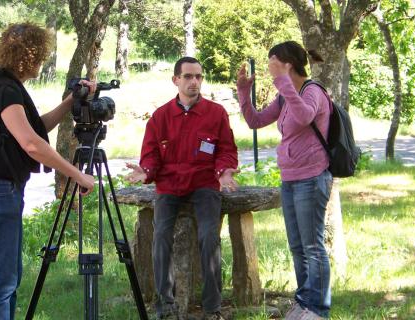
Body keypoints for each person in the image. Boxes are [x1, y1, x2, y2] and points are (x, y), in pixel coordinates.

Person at [0, 22, 96, 320]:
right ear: (29, 57)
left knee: (8, 279)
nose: (43, 61)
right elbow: (31, 144)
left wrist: (71, 101)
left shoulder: (3, 86)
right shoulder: (4, 91)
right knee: (0, 283)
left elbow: (37, 128)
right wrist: (76, 174)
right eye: (41, 56)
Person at [125, 57, 238, 320]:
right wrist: (147, 171)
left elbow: (226, 150)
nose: (194, 82)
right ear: (175, 80)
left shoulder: (216, 113)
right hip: (169, 185)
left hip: (204, 183)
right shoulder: (161, 116)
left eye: (198, 76)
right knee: (161, 236)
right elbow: (151, 155)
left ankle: (212, 308)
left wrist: (224, 172)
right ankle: (166, 305)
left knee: (209, 237)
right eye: (188, 76)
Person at [236, 41, 333, 320]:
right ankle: (304, 303)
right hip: (290, 179)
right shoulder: (284, 97)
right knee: (297, 246)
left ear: (286, 63)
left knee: (313, 246)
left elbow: (303, 116)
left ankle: (318, 309)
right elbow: (255, 121)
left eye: (272, 63)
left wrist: (282, 82)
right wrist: (244, 91)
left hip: (312, 178)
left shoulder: (312, 91)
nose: (268, 69)